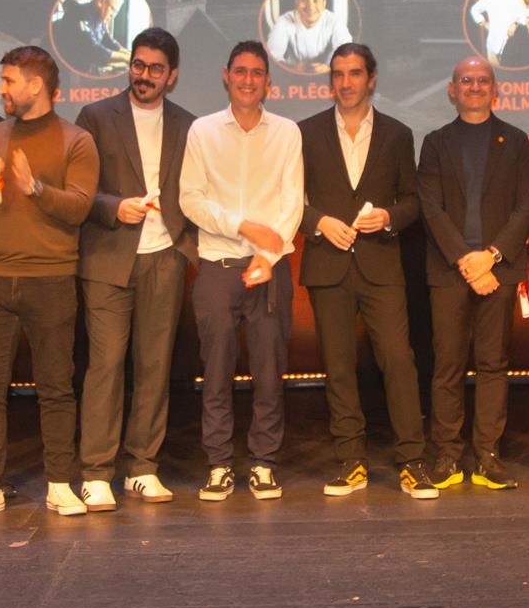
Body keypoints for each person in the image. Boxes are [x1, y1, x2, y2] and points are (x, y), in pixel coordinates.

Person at [0, 47, 98, 520]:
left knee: (56, 387)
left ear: (36, 85)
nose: (1, 89)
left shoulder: (77, 140)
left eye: (9, 80)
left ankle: (60, 484)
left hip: (51, 278)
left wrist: (35, 188)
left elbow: (80, 207)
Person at [299, 44, 437, 499]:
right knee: (338, 367)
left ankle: (412, 461)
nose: (345, 82)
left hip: (381, 264)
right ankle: (351, 460)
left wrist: (389, 217)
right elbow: (289, 199)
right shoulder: (305, 132)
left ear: (371, 78)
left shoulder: (397, 133)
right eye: (338, 74)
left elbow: (413, 201)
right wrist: (318, 221)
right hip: (328, 263)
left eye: (354, 73)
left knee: (398, 361)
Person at [75, 28, 198, 510]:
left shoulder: (189, 125)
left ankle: (143, 467)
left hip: (165, 256)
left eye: (155, 69)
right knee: (105, 365)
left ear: (172, 76)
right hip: (108, 256)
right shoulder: (95, 116)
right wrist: (113, 207)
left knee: (154, 366)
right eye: (138, 65)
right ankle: (96, 471)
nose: (144, 75)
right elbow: (78, 189)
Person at [180, 41, 304, 503]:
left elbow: (293, 202)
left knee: (270, 372)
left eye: (256, 73)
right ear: (226, 76)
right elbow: (190, 199)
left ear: (268, 82)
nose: (248, 80)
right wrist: (242, 226)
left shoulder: (287, 132)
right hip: (217, 265)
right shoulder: (202, 130)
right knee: (216, 371)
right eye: (240, 71)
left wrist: (267, 255)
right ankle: (218, 464)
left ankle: (264, 463)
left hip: (270, 269)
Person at [416, 56, 529, 490]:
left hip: (497, 271)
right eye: (465, 80)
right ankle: (448, 455)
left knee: (493, 365)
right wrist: (466, 261)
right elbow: (430, 207)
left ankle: (487, 454)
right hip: (450, 271)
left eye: (482, 80)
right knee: (447, 366)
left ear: (495, 90)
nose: (474, 86)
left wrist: (491, 256)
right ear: (452, 90)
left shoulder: (516, 141)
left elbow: (526, 205)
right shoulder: (435, 143)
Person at [266, 0, 352, 75]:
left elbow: (346, 50)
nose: (310, 6)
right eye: (304, 0)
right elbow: (272, 57)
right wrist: (293, 68)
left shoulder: (334, 20)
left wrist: (329, 67)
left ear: (324, 3)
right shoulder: (284, 20)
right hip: (291, 75)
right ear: (297, 3)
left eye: (316, 0)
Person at [55, 0, 130, 75]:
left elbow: (110, 42)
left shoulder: (99, 18)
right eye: (113, 10)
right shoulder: (79, 13)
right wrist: (125, 58)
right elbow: (92, 49)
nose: (113, 16)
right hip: (63, 70)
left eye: (116, 12)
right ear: (101, 2)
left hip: (81, 70)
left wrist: (130, 54)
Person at [469, 0, 529, 67]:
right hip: (492, 43)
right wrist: (483, 22)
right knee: (494, 71)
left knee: (509, 71)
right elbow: (474, 9)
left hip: (511, 43)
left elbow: (525, 15)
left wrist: (516, 24)